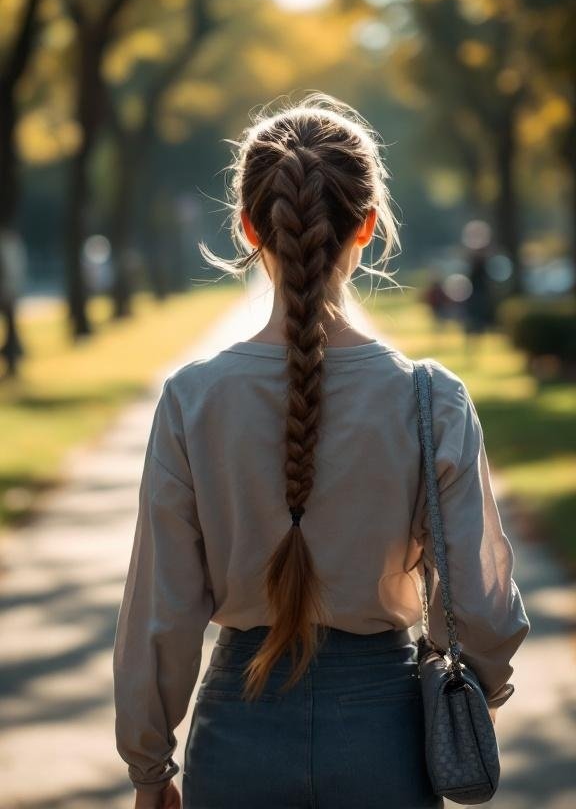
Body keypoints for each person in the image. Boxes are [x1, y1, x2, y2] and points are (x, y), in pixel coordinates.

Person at [112, 92, 530, 809]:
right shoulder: (432, 398)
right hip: (387, 743)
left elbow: (163, 612)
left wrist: (151, 767)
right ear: (368, 226)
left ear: (249, 227)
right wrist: (478, 702)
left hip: (235, 743)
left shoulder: (193, 400)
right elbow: (484, 610)